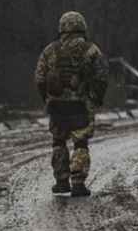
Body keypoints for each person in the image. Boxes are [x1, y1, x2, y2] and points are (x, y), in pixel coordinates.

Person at [34, 11, 108, 197]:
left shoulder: (50, 50)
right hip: (82, 105)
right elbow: (102, 77)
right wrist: (97, 98)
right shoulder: (91, 50)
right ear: (82, 27)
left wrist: (47, 100)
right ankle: (78, 183)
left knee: (58, 141)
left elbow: (39, 78)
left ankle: (61, 182)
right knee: (80, 143)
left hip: (56, 105)